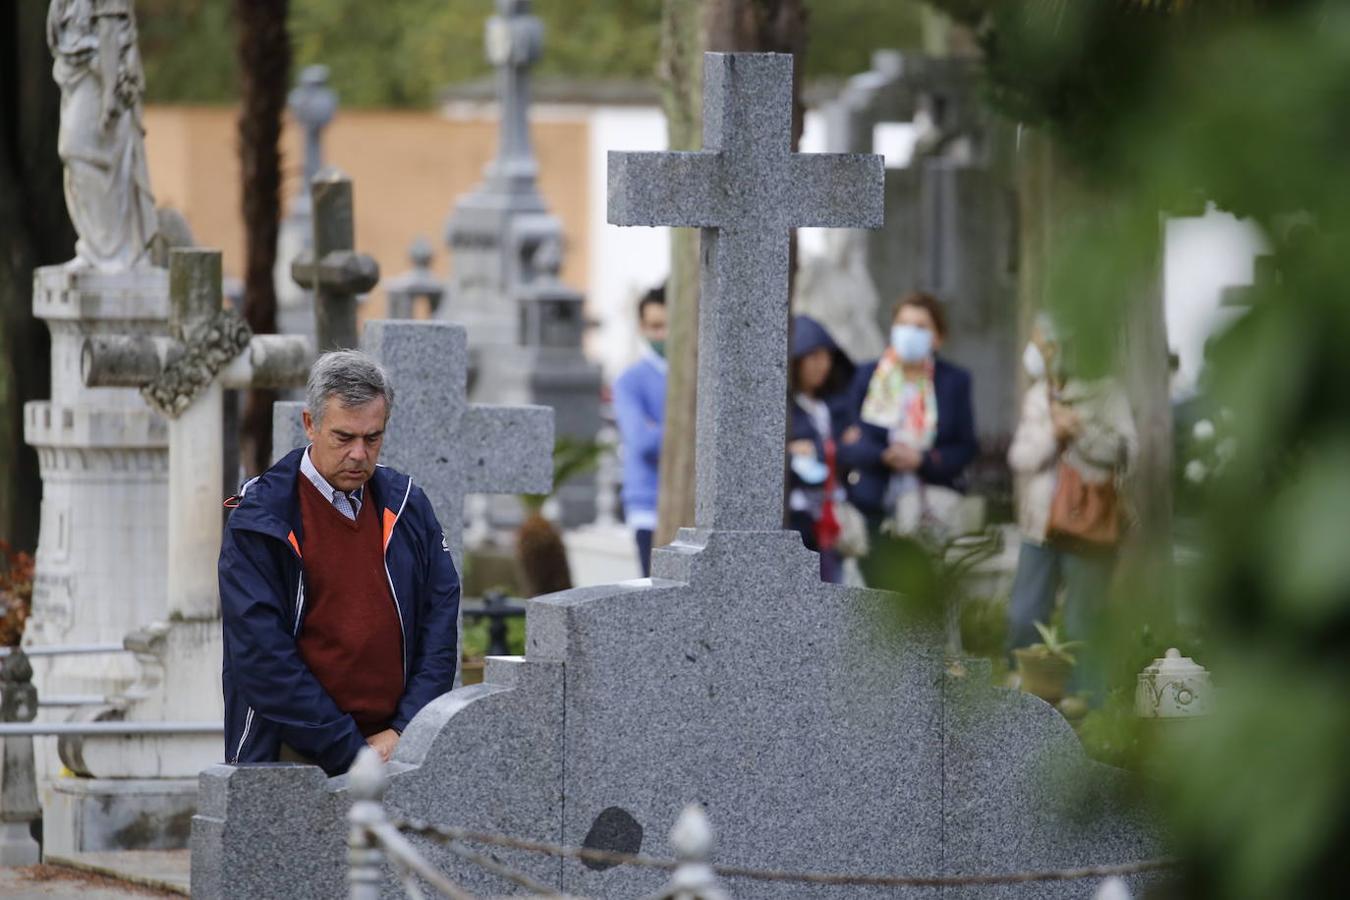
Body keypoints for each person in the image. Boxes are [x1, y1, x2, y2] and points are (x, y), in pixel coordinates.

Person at [218, 351, 460, 776]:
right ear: (310, 424)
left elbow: (439, 621)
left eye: (372, 438)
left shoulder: (407, 506)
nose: (358, 454)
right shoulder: (261, 520)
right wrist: (349, 750)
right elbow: (262, 657)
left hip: (395, 747)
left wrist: (404, 730)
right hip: (293, 753)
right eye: (343, 437)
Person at [1005, 316, 1137, 696]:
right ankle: (1025, 697)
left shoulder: (1107, 392)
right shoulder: (1037, 395)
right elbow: (1021, 458)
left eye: (1043, 342)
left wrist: (1081, 430)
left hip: (1090, 523)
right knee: (1024, 615)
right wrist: (1054, 432)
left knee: (1084, 623)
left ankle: (1087, 707)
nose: (1037, 351)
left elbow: (1128, 453)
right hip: (1040, 523)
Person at [839, 292, 978, 583]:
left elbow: (965, 447)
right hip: (873, 503)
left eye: (920, 326)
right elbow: (847, 444)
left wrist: (921, 459)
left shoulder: (953, 382)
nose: (909, 333)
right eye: (903, 324)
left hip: (928, 509)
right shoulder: (868, 377)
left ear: (938, 337)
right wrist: (883, 455)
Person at [787, 316, 855, 583]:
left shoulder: (835, 406)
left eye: (826, 357)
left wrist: (818, 448)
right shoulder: (786, 410)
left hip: (836, 514)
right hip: (800, 519)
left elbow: (856, 448)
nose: (822, 365)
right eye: (813, 356)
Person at [612, 285, 668, 577]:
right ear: (643, 328)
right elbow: (643, 442)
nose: (663, 334)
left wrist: (659, 428)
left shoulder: (701, 374)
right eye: (656, 326)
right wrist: (683, 433)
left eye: (669, 325)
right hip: (648, 507)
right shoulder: (629, 381)